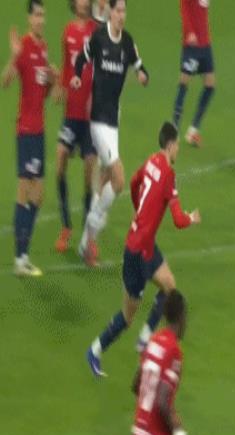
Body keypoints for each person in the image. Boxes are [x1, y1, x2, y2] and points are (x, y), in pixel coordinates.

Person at [86, 122, 201, 377]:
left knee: (169, 285)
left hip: (144, 245)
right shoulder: (168, 174)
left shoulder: (151, 161)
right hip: (137, 254)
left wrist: (139, 209)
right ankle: (95, 350)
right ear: (170, 145)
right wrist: (192, 218)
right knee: (127, 317)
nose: (178, 149)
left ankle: (145, 337)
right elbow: (178, 220)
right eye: (177, 145)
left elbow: (135, 182)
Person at [71, 0, 149, 266]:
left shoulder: (127, 42)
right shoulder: (99, 38)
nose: (122, 15)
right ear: (110, 13)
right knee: (118, 179)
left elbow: (140, 66)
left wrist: (143, 76)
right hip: (97, 122)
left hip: (114, 122)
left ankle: (85, 244)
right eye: (118, 11)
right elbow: (81, 58)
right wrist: (77, 76)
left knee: (104, 179)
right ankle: (94, 220)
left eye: (125, 11)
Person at [1, 0, 58, 276]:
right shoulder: (23, 46)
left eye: (43, 15)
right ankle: (19, 258)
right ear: (29, 19)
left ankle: (23, 254)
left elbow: (42, 92)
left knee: (38, 194)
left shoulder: (43, 47)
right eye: (37, 15)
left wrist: (51, 81)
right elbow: (5, 82)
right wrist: (13, 57)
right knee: (24, 191)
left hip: (39, 130)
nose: (41, 19)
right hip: (25, 130)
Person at [54, 0, 98, 253]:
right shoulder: (68, 32)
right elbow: (66, 67)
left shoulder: (96, 31)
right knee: (60, 160)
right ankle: (66, 226)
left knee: (89, 171)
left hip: (90, 118)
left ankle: (87, 234)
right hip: (71, 114)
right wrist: (60, 87)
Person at [131, 290, 188, 435]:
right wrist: (178, 430)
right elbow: (162, 402)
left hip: (139, 432)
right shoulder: (174, 351)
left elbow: (136, 385)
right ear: (182, 317)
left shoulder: (153, 341)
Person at [172, 0, 215, 147]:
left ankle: (193, 130)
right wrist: (189, 31)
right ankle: (175, 129)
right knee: (184, 83)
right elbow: (184, 7)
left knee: (210, 85)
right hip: (192, 45)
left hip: (205, 44)